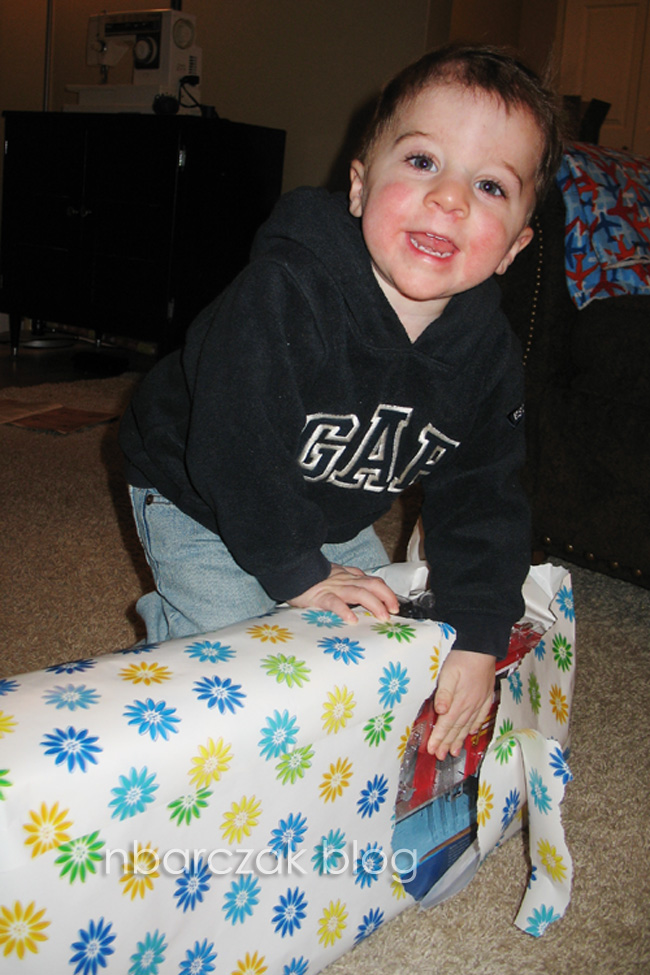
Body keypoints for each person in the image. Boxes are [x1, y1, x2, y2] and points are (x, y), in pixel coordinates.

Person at [119, 43, 563, 762]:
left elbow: (485, 498)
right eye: (422, 161)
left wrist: (479, 634)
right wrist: (300, 572)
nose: (449, 198)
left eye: (489, 186)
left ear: (514, 246)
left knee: (375, 640)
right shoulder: (285, 291)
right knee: (231, 653)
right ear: (358, 188)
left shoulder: (487, 357)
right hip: (199, 486)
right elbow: (235, 445)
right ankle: (161, 670)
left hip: (323, 503)